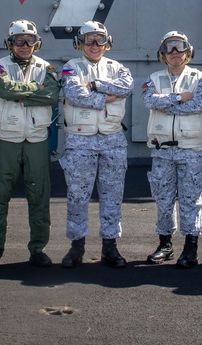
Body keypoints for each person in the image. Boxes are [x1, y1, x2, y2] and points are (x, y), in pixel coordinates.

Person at [0, 20, 61, 271]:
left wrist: (20, 94)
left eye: (29, 40)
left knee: (39, 198)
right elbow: (3, 89)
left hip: (36, 139)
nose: (25, 46)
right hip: (6, 140)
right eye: (19, 40)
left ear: (37, 43)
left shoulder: (45, 67)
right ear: (10, 43)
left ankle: (38, 249)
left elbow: (52, 94)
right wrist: (33, 90)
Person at [59, 21, 133, 268]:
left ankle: (110, 246)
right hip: (80, 140)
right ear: (80, 42)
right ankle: (76, 246)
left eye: (100, 39)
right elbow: (74, 95)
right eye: (89, 39)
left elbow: (127, 87)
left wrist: (93, 86)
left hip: (112, 139)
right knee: (78, 195)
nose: (94, 45)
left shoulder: (117, 67)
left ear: (107, 42)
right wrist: (110, 97)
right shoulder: (71, 68)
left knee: (112, 195)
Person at [142, 31, 202, 268]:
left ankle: (191, 247)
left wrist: (167, 102)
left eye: (179, 48)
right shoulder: (153, 78)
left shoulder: (200, 78)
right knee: (163, 198)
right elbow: (150, 101)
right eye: (169, 48)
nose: (175, 53)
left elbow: (199, 103)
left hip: (190, 148)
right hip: (162, 150)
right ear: (163, 54)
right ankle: (165, 244)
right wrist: (182, 98)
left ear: (188, 52)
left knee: (191, 199)